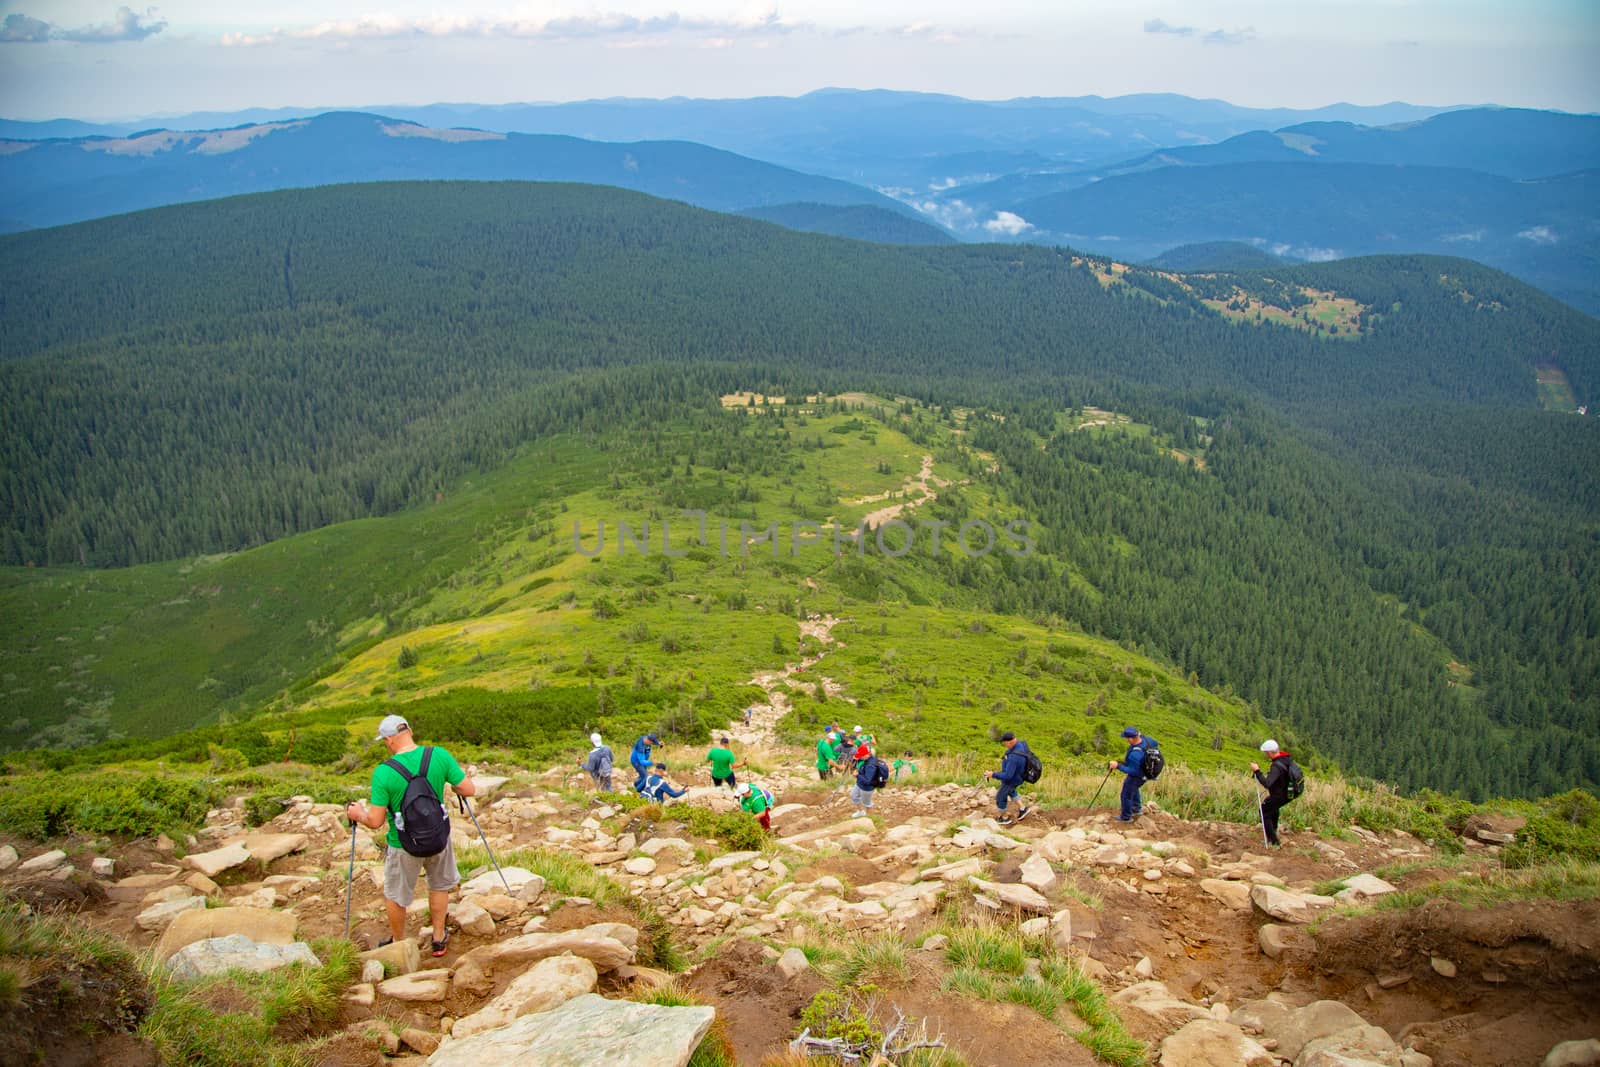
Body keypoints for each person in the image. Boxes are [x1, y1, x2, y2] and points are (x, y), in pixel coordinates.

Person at [345, 715, 476, 958]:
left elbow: (375, 821)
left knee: (396, 894)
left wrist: (358, 814)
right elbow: (468, 789)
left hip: (403, 843)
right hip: (438, 837)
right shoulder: (438, 755)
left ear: (389, 740)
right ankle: (438, 938)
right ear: (410, 731)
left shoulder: (384, 772)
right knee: (439, 886)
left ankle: (399, 942)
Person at [1251, 740, 1295, 847]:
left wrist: (1257, 771)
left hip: (1281, 794)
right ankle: (1273, 833)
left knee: (1264, 811)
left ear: (1270, 752)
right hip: (1288, 792)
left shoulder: (1277, 766)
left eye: (1266, 753)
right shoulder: (1285, 759)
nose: (1266, 755)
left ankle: (1274, 841)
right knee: (1273, 808)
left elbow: (1267, 783)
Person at [1109, 726, 1156, 822]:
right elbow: (1155, 743)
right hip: (1147, 772)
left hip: (1138, 775)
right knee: (1133, 788)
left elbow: (1134, 771)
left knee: (1126, 794)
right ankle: (1136, 808)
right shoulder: (1147, 740)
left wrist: (1118, 766)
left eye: (1127, 738)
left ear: (1131, 738)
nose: (1126, 740)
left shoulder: (1136, 755)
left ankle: (1126, 817)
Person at [986, 731, 1032, 825]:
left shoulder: (1014, 758)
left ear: (1010, 742)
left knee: (1000, 796)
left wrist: (993, 774)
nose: (1004, 744)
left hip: (1012, 780)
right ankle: (1023, 808)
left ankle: (1004, 818)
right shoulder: (1021, 745)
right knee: (1011, 791)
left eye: (1005, 742)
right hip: (1019, 776)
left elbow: (1008, 776)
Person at [850, 744, 886, 815]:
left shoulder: (871, 765)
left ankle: (869, 817)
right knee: (854, 796)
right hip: (859, 783)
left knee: (867, 803)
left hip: (867, 788)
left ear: (867, 754)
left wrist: (857, 775)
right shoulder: (866, 758)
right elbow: (862, 767)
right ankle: (860, 812)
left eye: (861, 755)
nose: (860, 757)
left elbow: (868, 781)